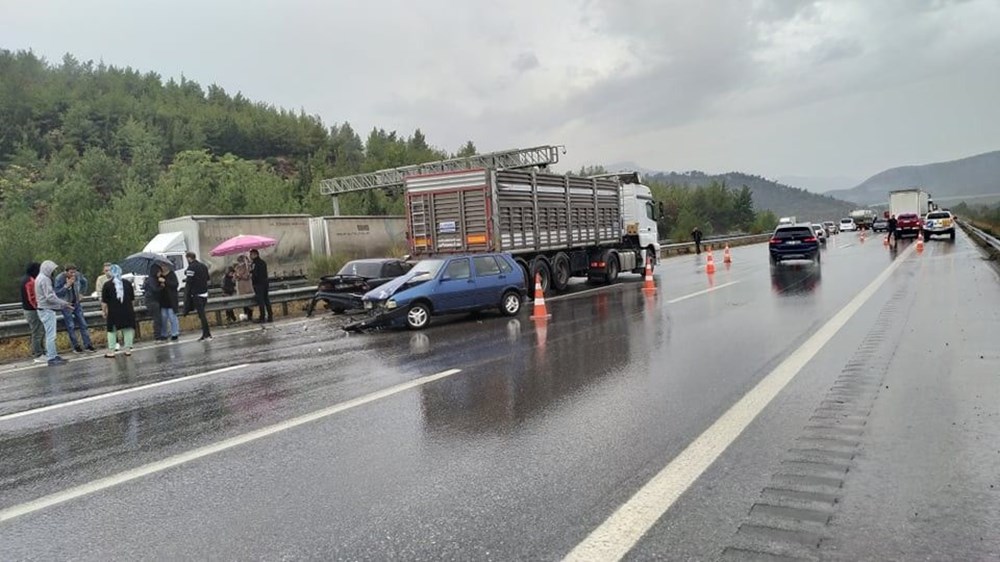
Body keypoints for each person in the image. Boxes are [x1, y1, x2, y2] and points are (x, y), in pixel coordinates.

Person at [34, 260, 73, 365]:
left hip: (44, 309)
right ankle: (52, 358)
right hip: (46, 310)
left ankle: (54, 355)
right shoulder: (45, 279)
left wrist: (61, 304)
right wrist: (63, 303)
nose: (53, 272)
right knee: (51, 335)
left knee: (50, 334)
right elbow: (50, 296)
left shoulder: (39, 278)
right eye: (52, 270)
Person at [54, 264, 95, 353]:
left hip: (76, 302)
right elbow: (57, 293)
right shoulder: (59, 278)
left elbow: (84, 282)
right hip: (66, 304)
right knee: (71, 326)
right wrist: (67, 285)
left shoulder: (78, 275)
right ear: (66, 272)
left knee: (83, 324)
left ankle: (88, 345)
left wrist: (82, 293)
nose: (73, 274)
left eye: (74, 272)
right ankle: (76, 346)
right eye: (71, 272)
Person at [101, 264, 137, 357]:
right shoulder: (127, 283)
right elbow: (132, 299)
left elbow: (104, 301)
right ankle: (128, 350)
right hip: (127, 310)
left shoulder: (107, 285)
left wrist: (104, 311)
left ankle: (111, 351)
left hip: (113, 311)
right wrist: (131, 309)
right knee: (128, 329)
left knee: (112, 330)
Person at [20, 262, 46, 363]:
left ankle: (41, 351)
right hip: (32, 310)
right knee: (37, 332)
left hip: (28, 309)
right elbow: (32, 297)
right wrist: (38, 307)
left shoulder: (24, 279)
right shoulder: (30, 280)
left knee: (37, 331)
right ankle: (38, 354)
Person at [184, 251, 212, 340]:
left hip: (197, 294)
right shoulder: (203, 266)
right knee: (202, 313)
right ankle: (206, 333)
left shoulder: (191, 267)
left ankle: (206, 333)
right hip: (204, 293)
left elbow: (189, 281)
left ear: (189, 258)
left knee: (202, 315)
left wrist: (187, 295)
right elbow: (207, 278)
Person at [157, 265, 180, 341]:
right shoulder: (159, 275)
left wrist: (165, 282)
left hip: (171, 300)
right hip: (162, 300)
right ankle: (164, 334)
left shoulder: (172, 274)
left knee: (172, 317)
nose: (163, 267)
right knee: (163, 318)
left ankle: (175, 333)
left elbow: (175, 285)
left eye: (164, 266)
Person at [250, 249, 273, 323]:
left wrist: (251, 274)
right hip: (265, 283)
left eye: (252, 254)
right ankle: (270, 316)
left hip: (258, 284)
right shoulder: (263, 262)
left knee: (261, 301)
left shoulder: (255, 264)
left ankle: (262, 317)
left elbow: (255, 274)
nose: (250, 256)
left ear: (256, 254)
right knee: (266, 299)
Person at [143, 264, 165, 341]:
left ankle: (159, 334)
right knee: (157, 319)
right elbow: (155, 290)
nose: (160, 274)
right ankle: (157, 336)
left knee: (158, 319)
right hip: (152, 301)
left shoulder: (149, 279)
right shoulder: (152, 280)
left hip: (150, 300)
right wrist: (161, 286)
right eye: (159, 272)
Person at [234, 254, 254, 322]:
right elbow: (234, 277)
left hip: (247, 286)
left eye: (241, 260)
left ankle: (250, 315)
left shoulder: (247, 267)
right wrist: (237, 276)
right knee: (244, 302)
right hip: (240, 287)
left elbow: (247, 276)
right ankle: (246, 315)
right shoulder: (237, 267)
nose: (240, 262)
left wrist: (241, 276)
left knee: (249, 302)